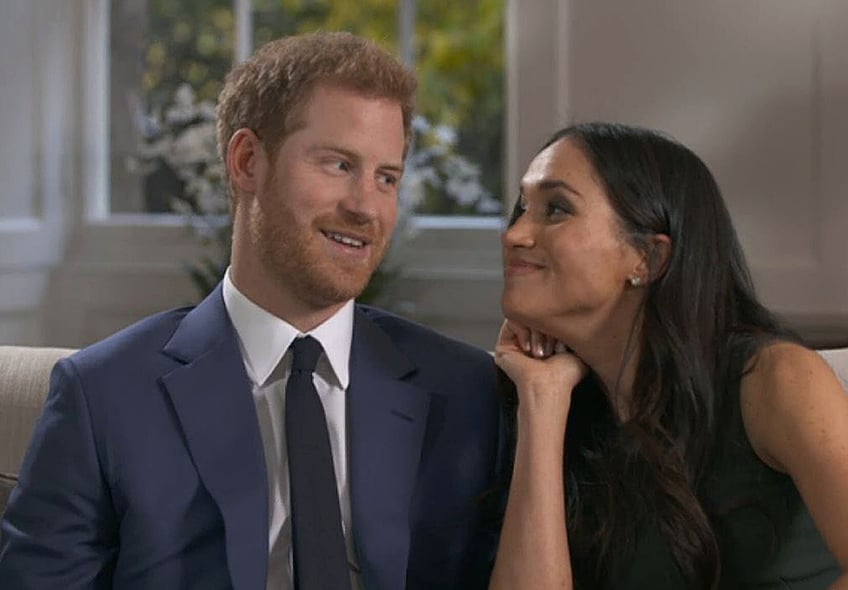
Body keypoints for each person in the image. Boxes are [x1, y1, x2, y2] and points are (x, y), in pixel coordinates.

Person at [0, 32, 504, 590]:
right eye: (339, 165)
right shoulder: (103, 397)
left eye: (386, 177)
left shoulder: (465, 392)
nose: (366, 206)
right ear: (247, 161)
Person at [488, 122, 848, 589]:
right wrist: (542, 402)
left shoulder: (773, 379)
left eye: (556, 209)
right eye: (523, 207)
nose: (515, 234)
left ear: (648, 259)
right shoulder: (558, 408)